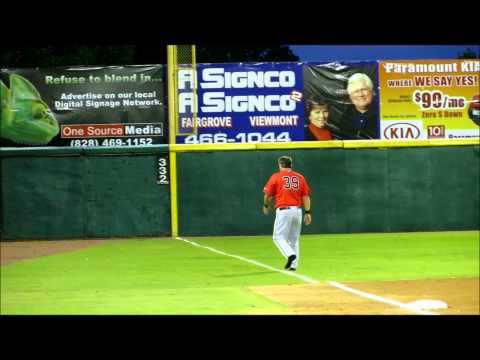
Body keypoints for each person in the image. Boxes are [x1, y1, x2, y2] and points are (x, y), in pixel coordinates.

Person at [262, 156, 311, 271]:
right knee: (294, 239)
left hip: (284, 210)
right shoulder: (300, 177)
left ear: (280, 165)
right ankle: (294, 265)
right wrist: (308, 212)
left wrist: (265, 205)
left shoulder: (276, 176)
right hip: (298, 211)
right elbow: (306, 196)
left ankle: (290, 255)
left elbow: (267, 195)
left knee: (278, 237)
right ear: (291, 165)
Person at [339, 72, 379, 139]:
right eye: (356, 91)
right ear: (350, 96)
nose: (360, 94)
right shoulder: (345, 118)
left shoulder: (381, 113)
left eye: (364, 89)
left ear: (371, 91)